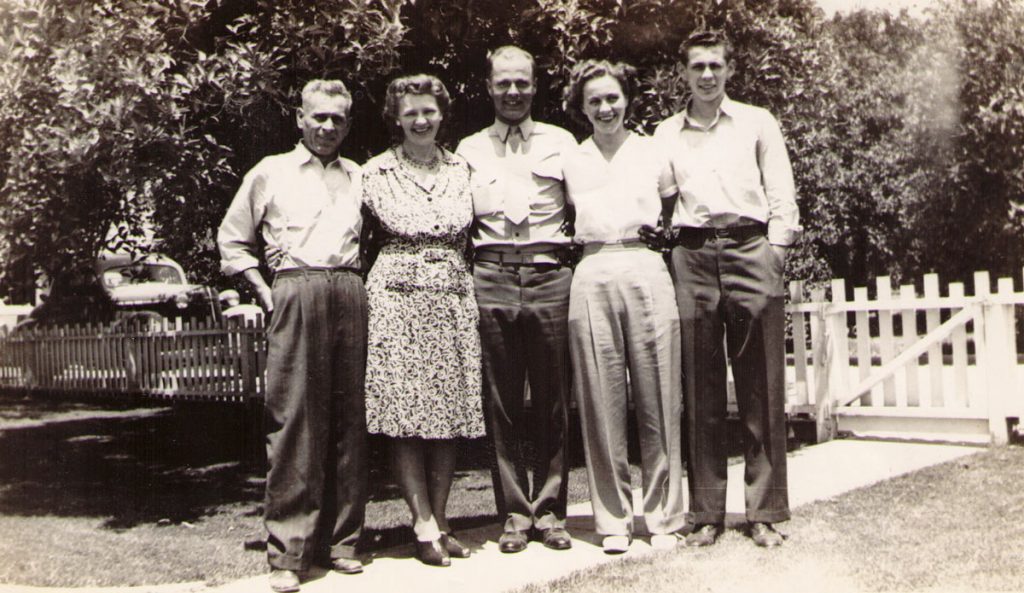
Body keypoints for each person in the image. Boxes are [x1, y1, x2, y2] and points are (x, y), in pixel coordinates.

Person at [651, 30, 801, 548]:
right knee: (701, 387)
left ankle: (764, 512)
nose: (707, 75)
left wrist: (773, 254)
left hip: (749, 246)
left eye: (716, 65)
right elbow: (663, 203)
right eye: (698, 67)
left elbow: (783, 196)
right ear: (684, 73)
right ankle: (708, 513)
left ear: (729, 70)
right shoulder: (666, 133)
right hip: (692, 253)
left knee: (761, 384)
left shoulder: (758, 122)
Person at [217, 79, 368, 593]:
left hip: (349, 288)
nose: (328, 127)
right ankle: (289, 551)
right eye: (319, 117)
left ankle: (343, 542)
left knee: (349, 418)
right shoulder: (271, 171)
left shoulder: (360, 176)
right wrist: (265, 292)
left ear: (348, 123)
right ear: (299, 119)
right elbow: (233, 239)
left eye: (338, 119)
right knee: (294, 419)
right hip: (295, 288)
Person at [455, 46, 577, 554]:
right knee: (501, 402)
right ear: (488, 86)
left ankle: (549, 513)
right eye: (503, 83)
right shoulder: (468, 149)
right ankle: (513, 514)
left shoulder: (563, 142)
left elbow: (585, 208)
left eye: (522, 83)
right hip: (492, 274)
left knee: (553, 401)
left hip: (550, 274)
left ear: (535, 84)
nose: (513, 92)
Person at [561, 59, 686, 554]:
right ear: (581, 107)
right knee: (599, 399)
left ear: (627, 99)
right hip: (591, 269)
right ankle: (613, 521)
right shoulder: (571, 158)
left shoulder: (653, 152)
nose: (605, 107)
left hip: (644, 263)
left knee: (659, 398)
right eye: (594, 100)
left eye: (612, 97)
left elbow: (673, 211)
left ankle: (663, 518)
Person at [361, 74, 485, 567]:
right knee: (407, 416)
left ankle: (443, 518)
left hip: (453, 296)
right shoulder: (373, 173)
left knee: (448, 416)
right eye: (410, 111)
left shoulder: (463, 169)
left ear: (442, 114)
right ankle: (421, 522)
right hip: (397, 298)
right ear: (395, 116)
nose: (420, 119)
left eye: (428, 111)